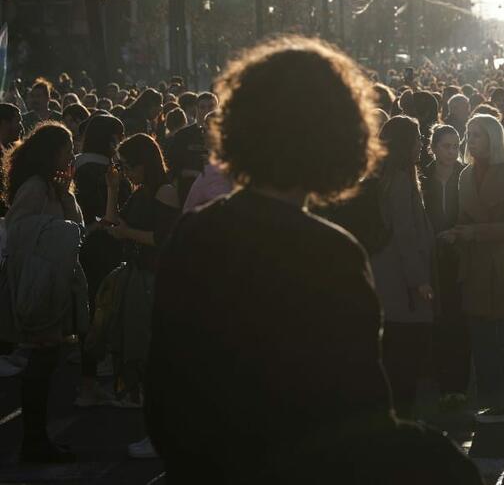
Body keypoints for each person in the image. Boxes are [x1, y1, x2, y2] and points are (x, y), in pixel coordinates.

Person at [145, 37, 479, 484]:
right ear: (340, 138)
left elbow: (166, 394)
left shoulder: (192, 235)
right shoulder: (331, 253)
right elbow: (361, 414)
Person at [440, 114, 504, 410]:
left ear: (493, 138)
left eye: (477, 135)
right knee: (484, 349)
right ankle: (494, 405)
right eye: (469, 135)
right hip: (477, 271)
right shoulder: (465, 175)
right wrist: (456, 233)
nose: (471, 141)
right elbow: (463, 217)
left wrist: (473, 233)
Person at [2, 122, 85, 463]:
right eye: (66, 149)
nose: (70, 156)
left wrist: (66, 196)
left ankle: (37, 438)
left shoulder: (53, 186)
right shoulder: (35, 187)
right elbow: (18, 231)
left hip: (53, 279)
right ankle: (34, 441)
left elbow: (76, 227)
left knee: (47, 359)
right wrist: (53, 229)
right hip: (37, 281)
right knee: (41, 359)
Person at [104, 133, 180, 457]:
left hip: (153, 278)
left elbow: (163, 238)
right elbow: (113, 223)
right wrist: (111, 190)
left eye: (129, 166)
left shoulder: (165, 191)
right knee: (137, 347)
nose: (127, 173)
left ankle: (159, 434)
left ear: (144, 163)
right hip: (137, 274)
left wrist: (127, 233)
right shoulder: (140, 191)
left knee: (149, 352)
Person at [371, 115, 435, 419]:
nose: (421, 144)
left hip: (395, 275)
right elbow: (404, 233)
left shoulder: (393, 177)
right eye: (418, 138)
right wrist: (419, 280)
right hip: (400, 280)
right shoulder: (398, 181)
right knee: (403, 355)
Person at [73, 114, 129, 408]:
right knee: (102, 308)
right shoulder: (101, 169)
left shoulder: (79, 163)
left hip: (85, 244)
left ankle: (90, 376)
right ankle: (91, 378)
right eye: (116, 137)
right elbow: (108, 215)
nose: (119, 143)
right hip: (103, 245)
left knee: (92, 308)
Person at [421, 125, 470, 409]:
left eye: (455, 145)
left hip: (459, 254)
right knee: (437, 319)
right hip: (430, 255)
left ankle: (459, 385)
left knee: (459, 319)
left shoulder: (466, 174)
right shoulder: (423, 176)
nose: (451, 152)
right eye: (445, 146)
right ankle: (442, 382)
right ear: (434, 147)